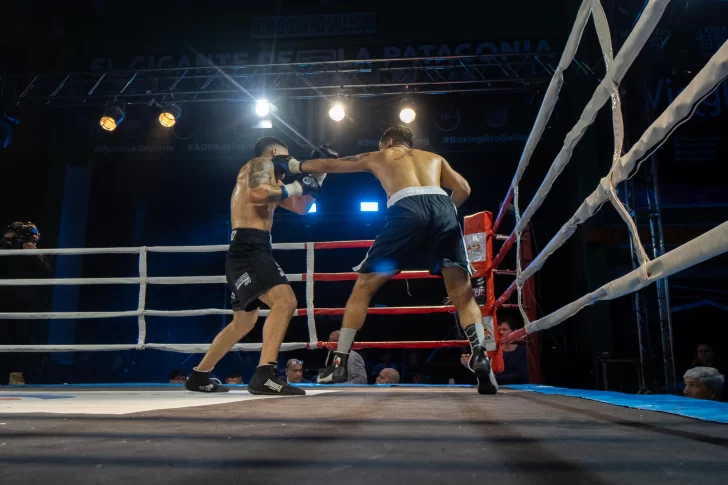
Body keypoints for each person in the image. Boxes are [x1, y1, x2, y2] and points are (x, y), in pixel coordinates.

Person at [273, 125, 498, 394]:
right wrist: (443, 214)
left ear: (389, 142)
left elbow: (332, 164)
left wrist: (294, 164)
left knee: (363, 288)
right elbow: (463, 188)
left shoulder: (381, 155)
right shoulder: (434, 158)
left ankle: (339, 364)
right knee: (462, 293)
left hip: (406, 208)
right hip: (443, 208)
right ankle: (480, 354)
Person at [184, 137, 327, 395]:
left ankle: (199, 375)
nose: (288, 163)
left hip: (247, 249)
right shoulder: (260, 163)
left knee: (243, 322)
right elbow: (257, 195)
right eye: (286, 156)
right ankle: (265, 375)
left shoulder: (274, 183)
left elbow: (301, 208)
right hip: (250, 248)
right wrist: (297, 185)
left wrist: (318, 177)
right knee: (285, 301)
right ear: (275, 152)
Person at [460, 318, 528, 384]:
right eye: (499, 330)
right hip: (496, 387)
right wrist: (469, 365)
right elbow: (481, 376)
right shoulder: (491, 350)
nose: (501, 332)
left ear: (515, 332)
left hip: (519, 387)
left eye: (504, 329)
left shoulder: (524, 350)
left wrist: (493, 378)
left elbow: (523, 375)